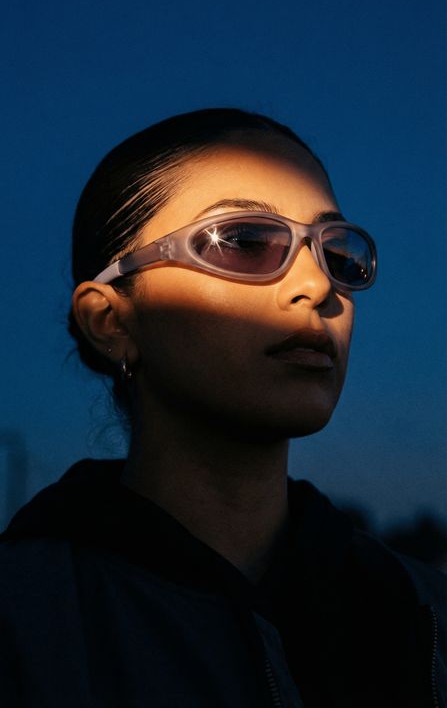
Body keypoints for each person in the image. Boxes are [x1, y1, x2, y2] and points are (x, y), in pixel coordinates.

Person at [0, 108, 445, 707]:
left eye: (337, 253)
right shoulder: (29, 620)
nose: (318, 287)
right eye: (245, 241)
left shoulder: (422, 614)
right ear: (110, 320)